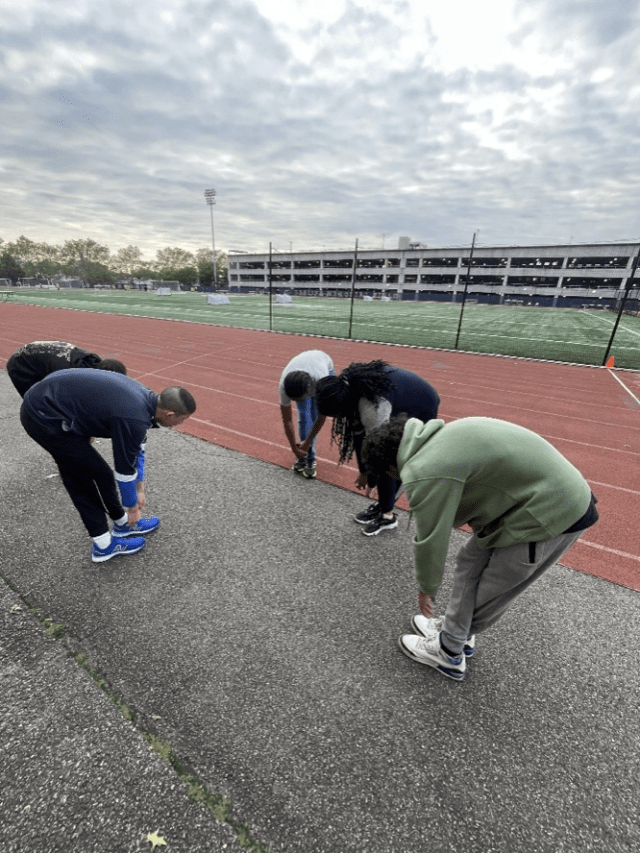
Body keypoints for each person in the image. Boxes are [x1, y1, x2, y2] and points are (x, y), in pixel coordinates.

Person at [361, 414, 599, 681]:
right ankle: (456, 630)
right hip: (540, 499)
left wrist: (426, 589)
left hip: (552, 512)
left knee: (492, 587)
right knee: (469, 562)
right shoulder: (437, 438)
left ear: (391, 467)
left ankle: (449, 651)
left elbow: (431, 537)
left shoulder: (423, 470)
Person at [20, 369, 196, 563]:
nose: (181, 424)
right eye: (183, 419)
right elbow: (124, 471)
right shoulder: (134, 417)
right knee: (86, 479)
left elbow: (139, 450)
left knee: (99, 474)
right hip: (42, 416)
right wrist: (132, 508)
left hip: (58, 403)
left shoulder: (147, 400)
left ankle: (121, 525)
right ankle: (103, 546)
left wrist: (140, 489)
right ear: (170, 414)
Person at [309, 360, 440, 535]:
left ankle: (388, 516)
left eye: (336, 415)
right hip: (399, 397)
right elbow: (357, 435)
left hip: (422, 406)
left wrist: (372, 476)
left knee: (389, 460)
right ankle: (384, 505)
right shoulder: (348, 389)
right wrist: (364, 472)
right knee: (377, 461)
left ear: (342, 406)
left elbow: (380, 455)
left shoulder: (372, 409)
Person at [279, 350, 335, 479]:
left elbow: (322, 416)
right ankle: (302, 456)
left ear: (309, 389)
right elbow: (287, 420)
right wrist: (294, 448)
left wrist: (307, 441)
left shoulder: (322, 380)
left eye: (300, 398)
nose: (297, 402)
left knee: (314, 414)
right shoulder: (284, 385)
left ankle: (310, 458)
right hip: (304, 373)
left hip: (324, 365)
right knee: (304, 416)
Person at [7, 340, 127, 397]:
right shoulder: (69, 374)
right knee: (37, 404)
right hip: (20, 366)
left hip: (38, 357)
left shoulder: (92, 361)